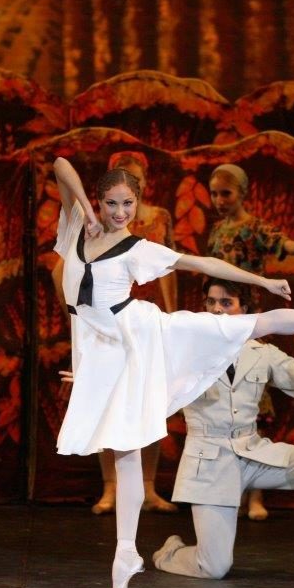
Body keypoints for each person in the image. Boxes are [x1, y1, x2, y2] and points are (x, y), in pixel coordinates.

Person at [51, 157, 294, 588]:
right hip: (109, 347)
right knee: (126, 451)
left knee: (254, 326)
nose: (120, 213)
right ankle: (126, 556)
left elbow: (204, 262)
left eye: (128, 204)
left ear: (138, 206)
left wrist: (263, 280)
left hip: (145, 334)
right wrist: (84, 208)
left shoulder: (137, 248)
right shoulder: (77, 228)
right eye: (112, 203)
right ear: (98, 201)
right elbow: (61, 166)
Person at [151, 277, 294, 583]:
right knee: (213, 567)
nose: (218, 310)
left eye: (227, 303)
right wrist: (100, 383)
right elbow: (145, 375)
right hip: (209, 463)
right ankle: (170, 552)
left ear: (245, 310)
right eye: (211, 302)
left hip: (252, 452)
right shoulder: (186, 350)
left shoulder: (262, 354)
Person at [207, 163, 294, 520]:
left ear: (243, 193)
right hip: (220, 326)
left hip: (248, 322)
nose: (219, 200)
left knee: (252, 403)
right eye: (215, 193)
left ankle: (255, 496)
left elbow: (286, 247)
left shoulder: (254, 228)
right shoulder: (216, 231)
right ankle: (224, 488)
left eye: (226, 193)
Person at [61, 152, 178, 515]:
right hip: (102, 318)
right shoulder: (93, 224)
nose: (122, 204)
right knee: (104, 401)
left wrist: (170, 313)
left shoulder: (156, 219)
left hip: (139, 319)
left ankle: (147, 486)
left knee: (148, 402)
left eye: (133, 186)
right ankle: (110, 486)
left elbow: (169, 267)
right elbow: (67, 272)